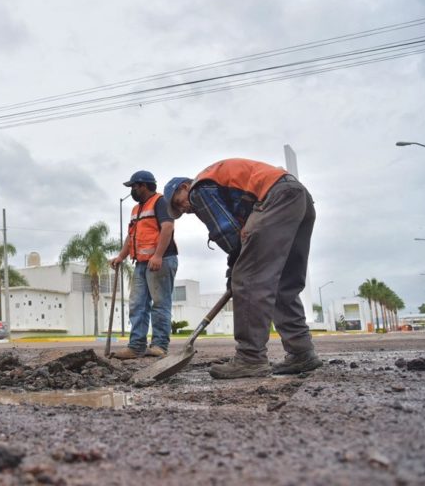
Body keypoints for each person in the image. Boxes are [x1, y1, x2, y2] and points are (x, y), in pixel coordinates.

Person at [164, 158, 322, 379]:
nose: (185, 208)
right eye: (179, 209)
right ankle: (301, 351)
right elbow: (245, 236)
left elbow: (228, 232)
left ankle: (250, 358)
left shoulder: (198, 189)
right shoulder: (223, 187)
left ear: (184, 187)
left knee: (249, 281)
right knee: (283, 283)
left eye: (179, 202)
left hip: (274, 197)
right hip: (298, 197)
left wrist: (237, 272)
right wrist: (235, 266)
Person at [110, 170, 178, 359]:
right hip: (140, 263)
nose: (132, 190)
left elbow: (167, 228)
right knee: (137, 305)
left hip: (161, 260)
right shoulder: (136, 210)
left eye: (134, 186)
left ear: (144, 185)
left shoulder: (161, 201)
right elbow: (130, 236)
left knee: (160, 303)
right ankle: (136, 346)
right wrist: (121, 257)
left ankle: (159, 345)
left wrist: (157, 255)